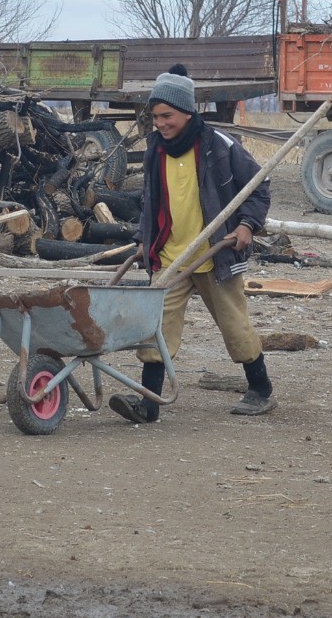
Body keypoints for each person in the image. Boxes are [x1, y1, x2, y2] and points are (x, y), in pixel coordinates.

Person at [108, 65, 275, 423]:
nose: (160, 123)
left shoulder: (219, 146)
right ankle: (148, 404)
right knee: (156, 329)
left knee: (235, 325)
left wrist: (247, 224)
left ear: (188, 111)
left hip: (215, 253)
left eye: (166, 116)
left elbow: (259, 187)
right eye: (155, 117)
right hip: (171, 257)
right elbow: (151, 199)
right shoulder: (156, 149)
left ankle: (261, 390)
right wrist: (143, 238)